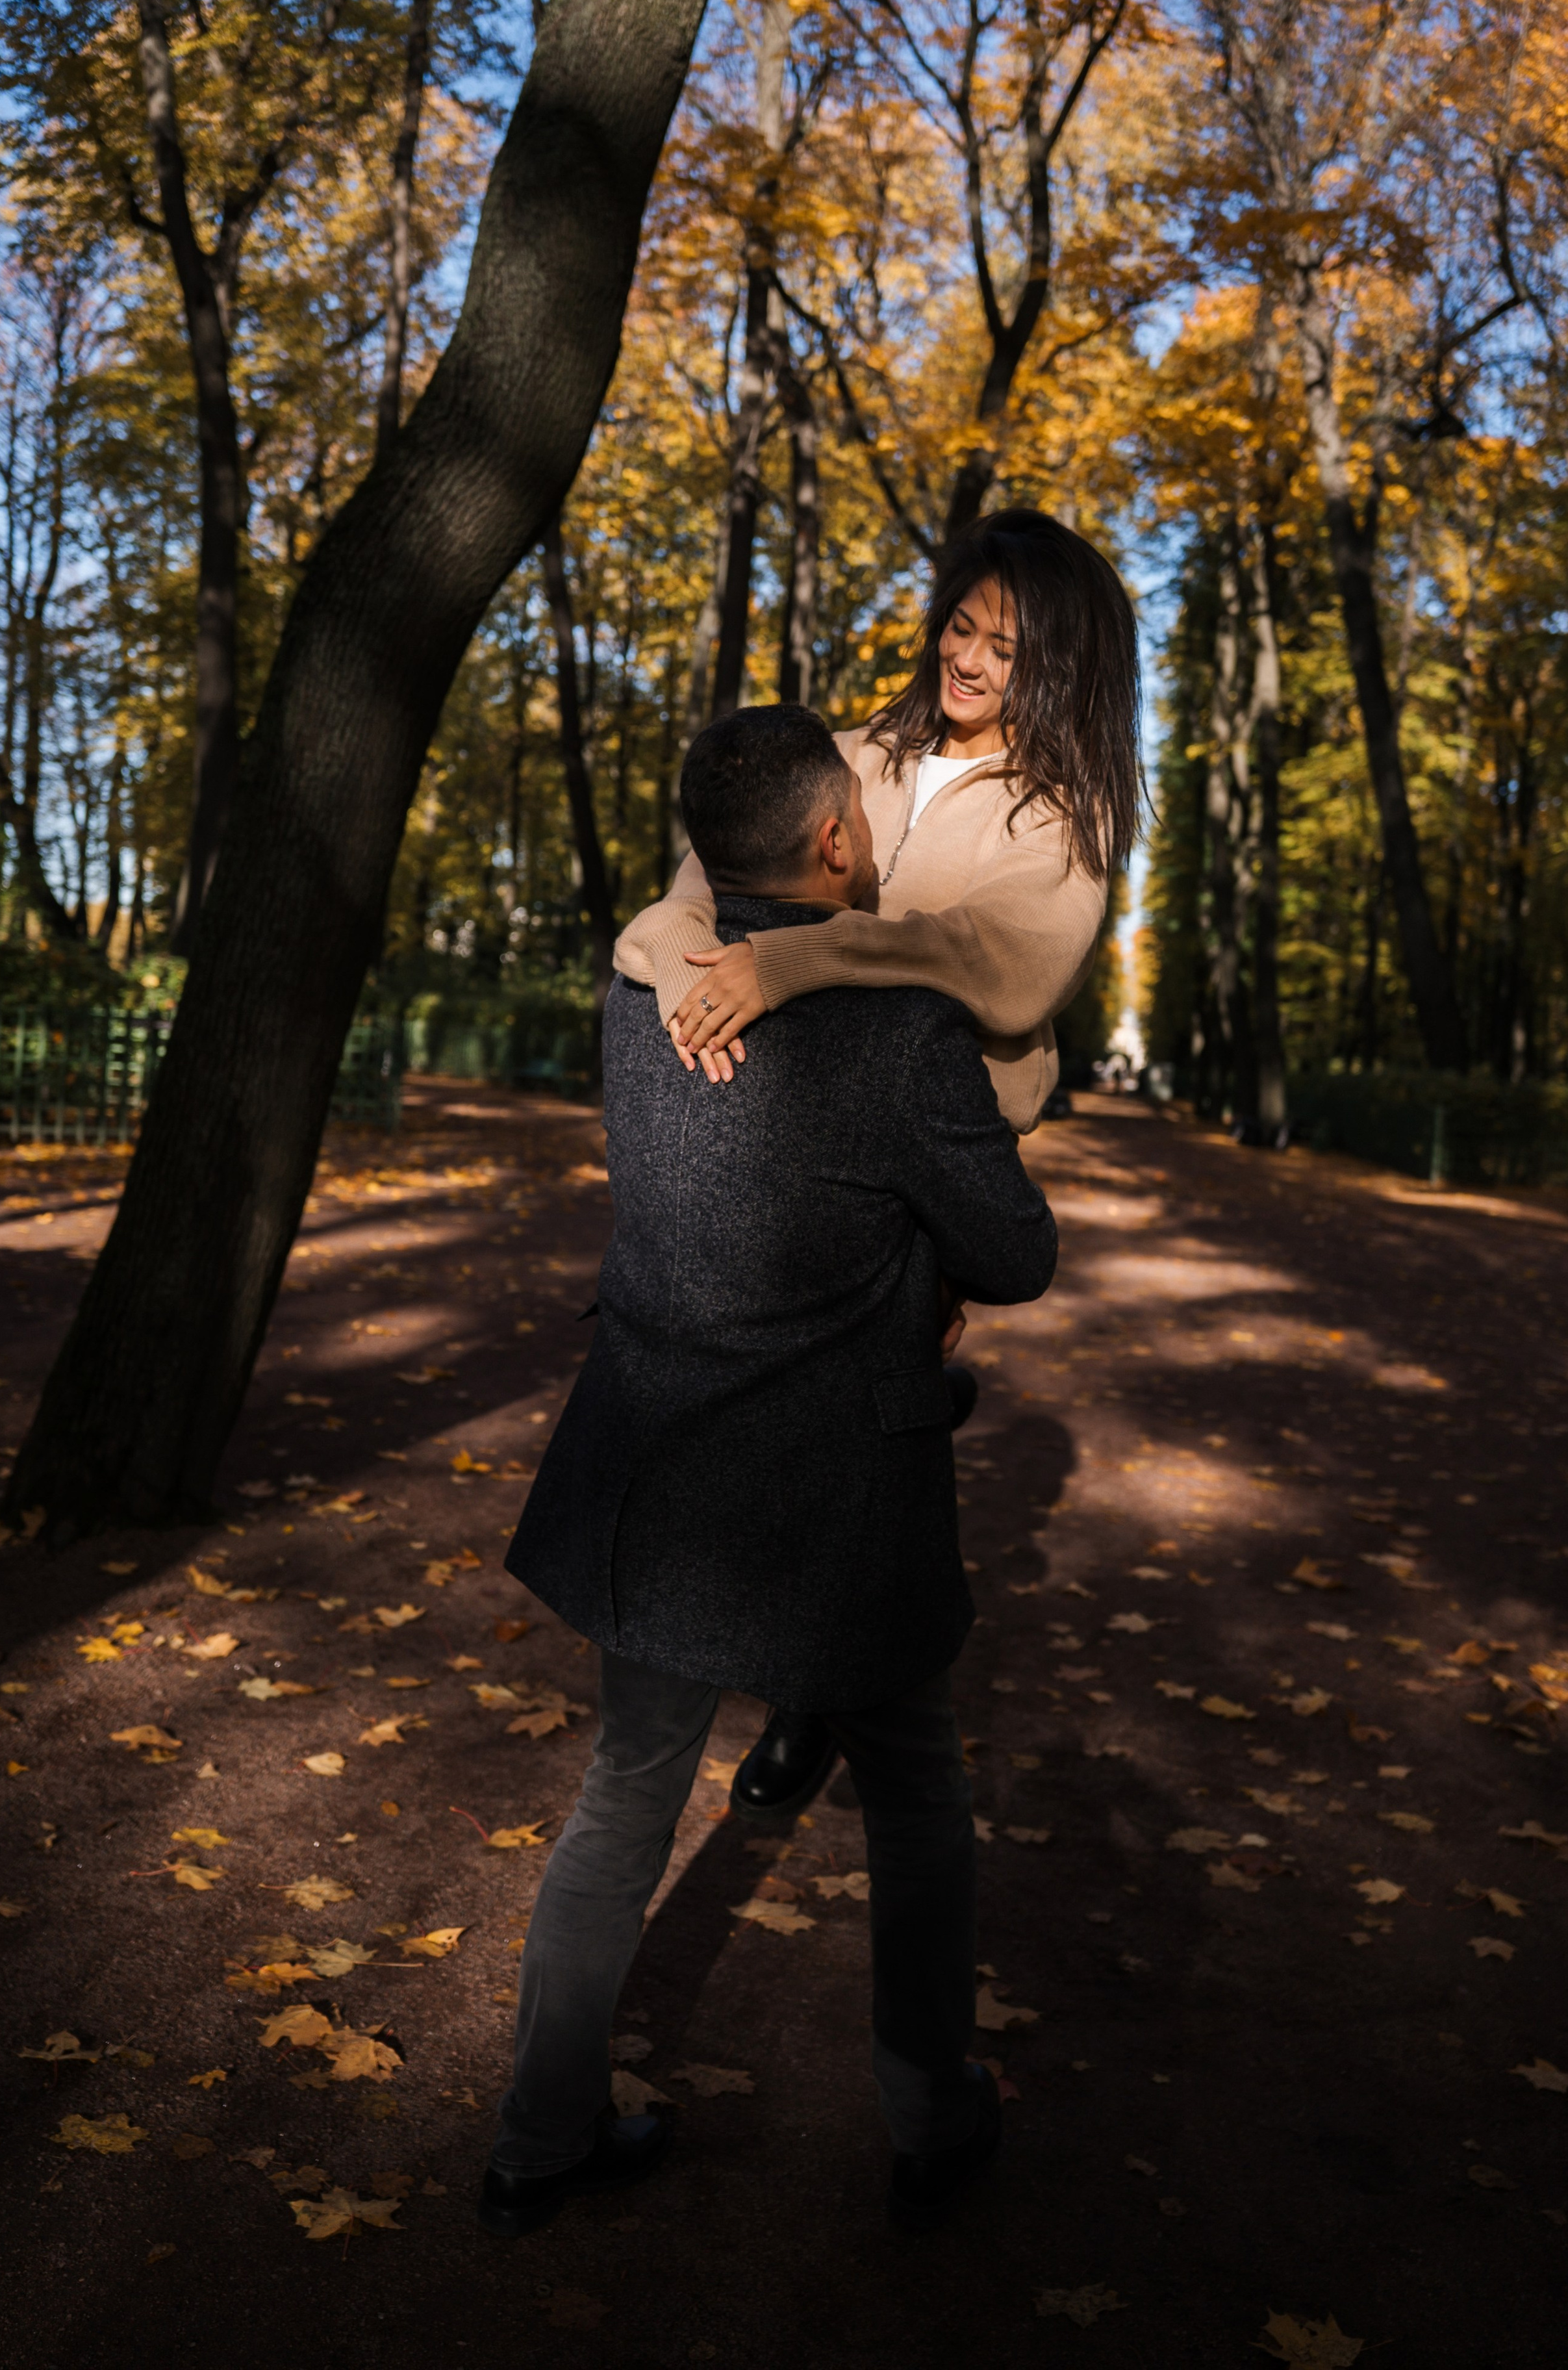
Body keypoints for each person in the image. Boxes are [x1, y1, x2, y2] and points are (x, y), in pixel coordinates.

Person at [483, 707, 1059, 2239]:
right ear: (831, 841)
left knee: (625, 1793)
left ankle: (537, 2135)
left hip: (659, 1458)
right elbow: (1015, 1254)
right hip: (838, 1499)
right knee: (916, 1797)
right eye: (864, 820)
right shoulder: (901, 1030)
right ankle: (931, 2115)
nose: (876, 840)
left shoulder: (639, 993)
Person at [614, 507, 1140, 1822]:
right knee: (792, 1411)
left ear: (1063, 667)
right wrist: (684, 974)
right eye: (961, 627)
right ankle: (791, 1676)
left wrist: (799, 957)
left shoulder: (1063, 820)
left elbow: (1000, 967)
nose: (968, 660)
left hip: (929, 1165)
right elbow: (691, 894)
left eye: (1007, 648)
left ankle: (827, 1699)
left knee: (867, 1448)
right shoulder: (854, 755)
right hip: (782, 1136)